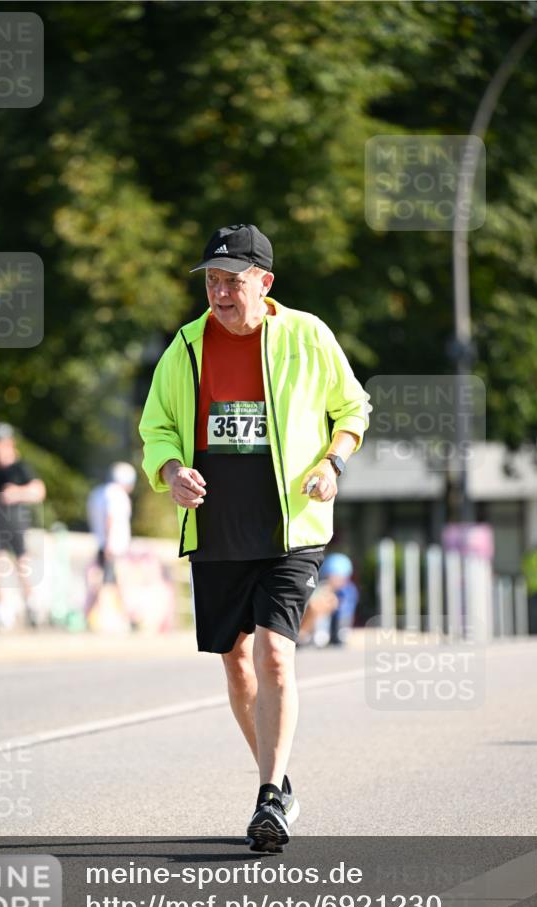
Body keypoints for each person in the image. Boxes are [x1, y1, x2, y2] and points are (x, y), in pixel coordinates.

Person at [139, 223, 370, 852]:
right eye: (211, 280)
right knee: (236, 662)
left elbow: (353, 408)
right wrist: (171, 471)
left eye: (231, 281)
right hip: (215, 528)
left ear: (263, 282)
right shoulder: (185, 346)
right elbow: (156, 428)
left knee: (273, 653)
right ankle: (281, 780)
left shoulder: (307, 335)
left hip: (290, 526)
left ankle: (268, 798)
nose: (219, 293)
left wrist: (332, 463)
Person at [0, 423, 46, 628]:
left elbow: (39, 491)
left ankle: (31, 605)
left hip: (17, 523)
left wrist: (17, 493)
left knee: (22, 564)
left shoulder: (20, 468)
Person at [85, 462, 136, 622]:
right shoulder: (116, 494)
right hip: (113, 546)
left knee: (101, 580)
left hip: (103, 544)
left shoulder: (99, 492)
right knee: (111, 583)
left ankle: (88, 615)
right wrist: (109, 542)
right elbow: (110, 518)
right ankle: (125, 618)